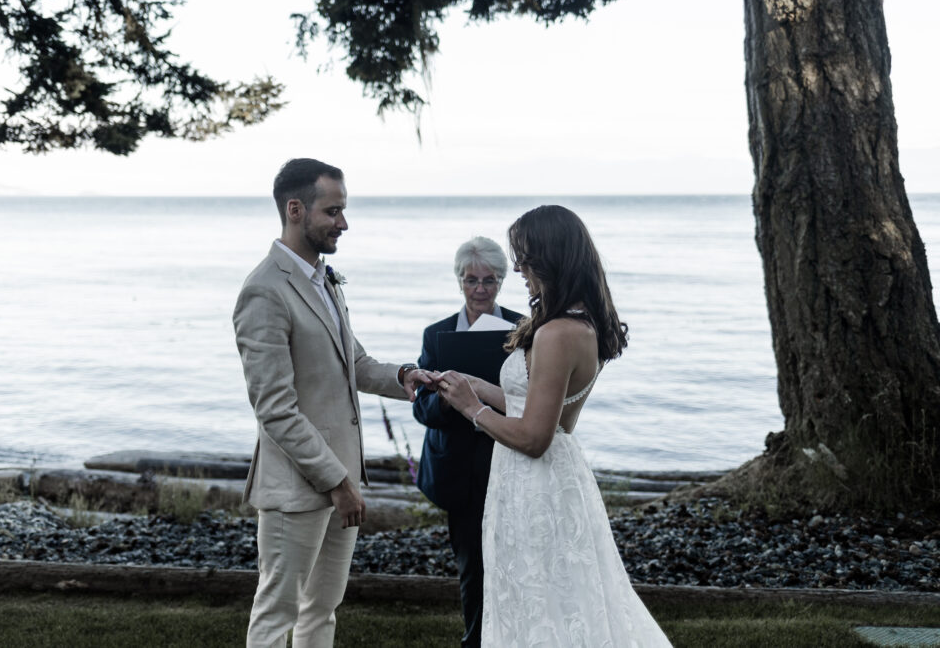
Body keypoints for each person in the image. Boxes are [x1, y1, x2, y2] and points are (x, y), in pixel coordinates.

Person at [437, 205, 672, 646]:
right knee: (559, 597)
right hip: (548, 479)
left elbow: (533, 437)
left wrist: (472, 409)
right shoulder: (581, 323)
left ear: (550, 257)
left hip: (535, 484)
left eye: (525, 257)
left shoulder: (557, 333)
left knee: (539, 598)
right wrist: (478, 388)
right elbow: (539, 406)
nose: (520, 268)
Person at [232, 158, 432, 648]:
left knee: (322, 610)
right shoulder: (264, 291)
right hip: (301, 487)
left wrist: (405, 376)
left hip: (341, 481)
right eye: (334, 211)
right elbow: (275, 409)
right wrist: (338, 482)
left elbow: (353, 362)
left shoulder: (323, 279)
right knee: (277, 613)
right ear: (296, 210)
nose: (344, 223)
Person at [412, 237, 523, 648]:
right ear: (459, 280)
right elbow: (422, 410)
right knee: (472, 565)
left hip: (509, 458)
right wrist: (454, 400)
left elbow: (533, 399)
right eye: (471, 280)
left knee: (513, 561)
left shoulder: (523, 330)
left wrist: (488, 398)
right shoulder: (437, 335)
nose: (480, 289)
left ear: (502, 281)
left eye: (490, 280)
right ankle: (474, 640)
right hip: (457, 469)